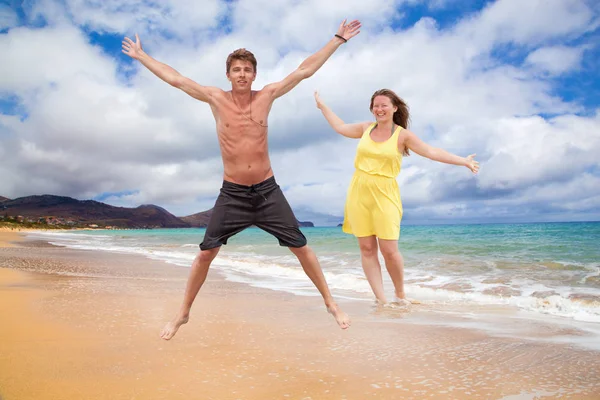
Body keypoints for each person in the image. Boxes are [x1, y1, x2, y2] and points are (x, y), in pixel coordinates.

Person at [122, 19, 361, 339]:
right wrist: (142, 56)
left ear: (254, 74)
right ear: (228, 74)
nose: (243, 74)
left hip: (267, 191)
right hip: (233, 193)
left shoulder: (267, 96)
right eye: (237, 69)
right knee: (205, 253)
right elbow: (176, 79)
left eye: (248, 69)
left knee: (301, 247)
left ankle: (331, 303)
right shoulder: (215, 98)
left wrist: (337, 39)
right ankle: (183, 313)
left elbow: (303, 70)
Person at [313, 89, 479, 306]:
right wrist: (323, 106)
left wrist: (463, 161)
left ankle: (400, 296)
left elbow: (432, 152)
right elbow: (340, 127)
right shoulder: (365, 128)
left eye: (384, 105)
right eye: (375, 105)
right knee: (367, 248)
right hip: (359, 192)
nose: (379, 109)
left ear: (394, 108)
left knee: (389, 250)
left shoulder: (402, 135)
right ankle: (381, 300)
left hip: (385, 193)